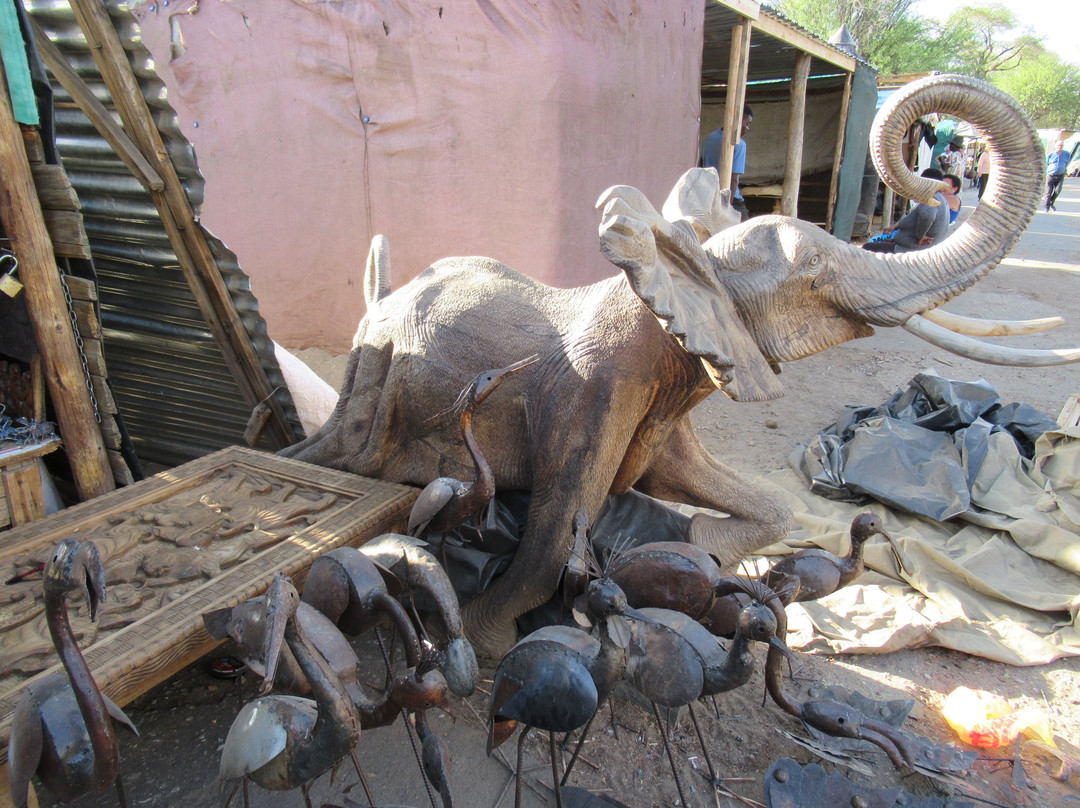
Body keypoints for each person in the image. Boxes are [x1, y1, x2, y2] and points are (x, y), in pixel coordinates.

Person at [863, 168, 950, 253]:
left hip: (911, 249)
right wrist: (897, 226)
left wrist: (920, 237)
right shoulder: (942, 199)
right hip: (915, 246)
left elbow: (927, 216)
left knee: (867, 247)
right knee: (883, 242)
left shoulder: (931, 198)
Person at [701, 105, 753, 221]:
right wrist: (726, 208)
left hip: (708, 196)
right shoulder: (739, 145)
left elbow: (701, 167)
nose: (748, 128)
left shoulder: (709, 139)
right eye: (747, 123)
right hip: (729, 199)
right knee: (747, 231)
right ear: (739, 119)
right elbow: (733, 179)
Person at [1045, 141, 1071, 212]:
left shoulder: (1066, 154)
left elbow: (1067, 162)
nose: (1060, 146)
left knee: (1058, 190)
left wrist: (1062, 169)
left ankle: (1051, 203)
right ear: (1055, 146)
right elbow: (1046, 163)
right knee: (1048, 192)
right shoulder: (1050, 154)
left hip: (1060, 175)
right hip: (1051, 175)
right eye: (1059, 145)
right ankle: (1046, 207)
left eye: (1061, 145)